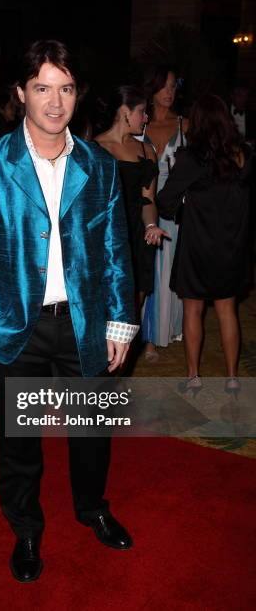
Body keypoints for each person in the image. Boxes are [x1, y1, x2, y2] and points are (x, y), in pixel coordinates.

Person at [0, 40, 139, 582]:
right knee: (19, 441)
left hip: (83, 323)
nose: (55, 102)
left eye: (66, 88)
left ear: (77, 94)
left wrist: (119, 320)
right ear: (20, 94)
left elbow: (115, 249)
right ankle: (26, 527)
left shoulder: (98, 165)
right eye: (42, 88)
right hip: (19, 326)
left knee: (90, 431)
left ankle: (91, 508)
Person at [156, 94, 252, 393]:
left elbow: (165, 201)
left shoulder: (192, 157)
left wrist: (184, 208)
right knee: (227, 310)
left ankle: (194, 375)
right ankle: (233, 377)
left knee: (193, 310)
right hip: (232, 245)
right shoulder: (244, 155)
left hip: (198, 245)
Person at [95, 85, 168, 310]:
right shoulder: (94, 148)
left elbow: (148, 200)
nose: (146, 118)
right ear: (125, 111)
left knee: (134, 308)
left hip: (138, 235)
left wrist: (151, 225)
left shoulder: (147, 150)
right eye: (142, 111)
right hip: (106, 237)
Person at [140, 66, 188, 360]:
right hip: (144, 204)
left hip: (176, 208)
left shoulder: (185, 124)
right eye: (164, 86)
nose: (170, 92)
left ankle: (166, 329)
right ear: (153, 89)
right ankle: (147, 337)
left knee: (168, 269)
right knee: (147, 268)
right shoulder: (138, 122)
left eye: (173, 87)